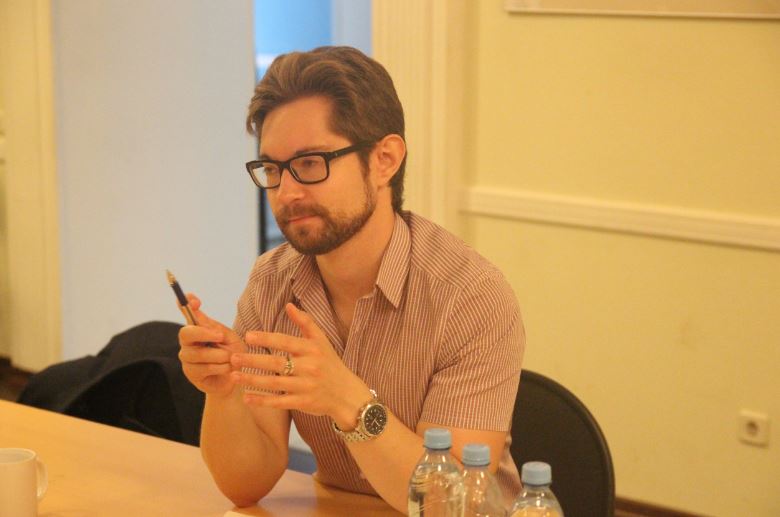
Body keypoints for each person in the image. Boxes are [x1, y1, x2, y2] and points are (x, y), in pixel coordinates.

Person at [178, 46, 525, 513]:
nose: (286, 192)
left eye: (310, 163)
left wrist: (349, 403)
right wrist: (224, 394)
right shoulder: (272, 282)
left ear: (385, 160)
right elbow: (245, 485)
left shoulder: (469, 296)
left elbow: (450, 504)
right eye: (273, 169)